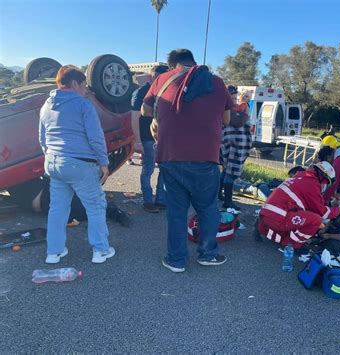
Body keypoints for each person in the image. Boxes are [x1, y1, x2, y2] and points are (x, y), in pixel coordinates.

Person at [141, 49, 233, 273]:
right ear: (194, 62)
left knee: (176, 211)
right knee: (208, 208)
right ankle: (208, 254)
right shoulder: (217, 82)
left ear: (173, 65)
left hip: (171, 157)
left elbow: (145, 110)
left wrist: (159, 117)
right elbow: (227, 118)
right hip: (206, 158)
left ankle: (176, 260)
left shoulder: (162, 79)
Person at [39, 65, 114, 264]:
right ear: (74, 84)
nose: (86, 90)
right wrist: (104, 163)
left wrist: (51, 155)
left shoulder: (46, 105)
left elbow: (42, 138)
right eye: (84, 85)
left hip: (54, 163)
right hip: (79, 164)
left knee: (58, 209)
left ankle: (54, 252)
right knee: (96, 206)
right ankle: (101, 250)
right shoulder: (83, 105)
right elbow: (96, 138)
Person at [257, 161, 340, 250]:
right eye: (326, 183)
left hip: (266, 214)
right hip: (279, 218)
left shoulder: (301, 177)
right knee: (315, 220)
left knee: (303, 217)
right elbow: (323, 213)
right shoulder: (312, 184)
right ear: (323, 177)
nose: (325, 185)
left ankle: (261, 227)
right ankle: (291, 245)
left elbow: (312, 204)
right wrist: (339, 209)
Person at [7, 176, 131, 227]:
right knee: (82, 208)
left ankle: (111, 210)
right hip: (47, 195)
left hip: (47, 194)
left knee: (82, 208)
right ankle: (110, 210)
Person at [131, 65, 168, 213]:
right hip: (147, 138)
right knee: (148, 169)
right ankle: (147, 200)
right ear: (153, 77)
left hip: (163, 138)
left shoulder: (164, 92)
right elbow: (134, 117)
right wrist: (137, 141)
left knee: (164, 169)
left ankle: (160, 199)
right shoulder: (141, 93)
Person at [219, 86, 252, 210]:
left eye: (234, 98)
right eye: (231, 98)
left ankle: (219, 194)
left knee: (226, 169)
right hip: (232, 144)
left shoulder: (234, 107)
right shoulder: (226, 107)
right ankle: (227, 201)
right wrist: (245, 114)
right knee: (230, 172)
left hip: (235, 143)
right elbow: (237, 122)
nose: (233, 100)